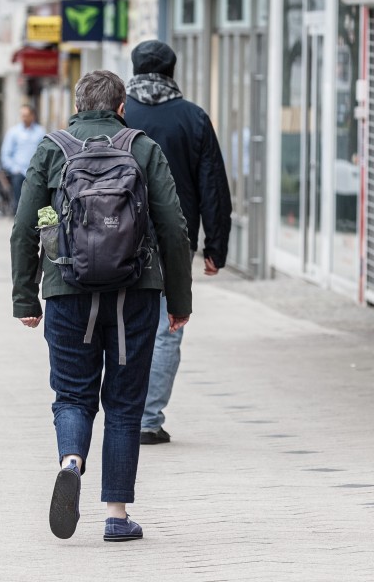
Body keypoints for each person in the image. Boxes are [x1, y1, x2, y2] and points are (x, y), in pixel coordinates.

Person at [10, 70, 192, 543]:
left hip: (68, 289)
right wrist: (179, 299)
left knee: (72, 395)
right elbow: (173, 228)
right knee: (126, 405)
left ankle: (71, 460)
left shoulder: (54, 148)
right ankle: (116, 513)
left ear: (76, 104)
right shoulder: (142, 147)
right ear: (120, 107)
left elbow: (27, 226)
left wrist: (27, 298)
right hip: (135, 293)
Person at [124, 40, 232, 446]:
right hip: (175, 239)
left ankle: (122, 414)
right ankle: (148, 421)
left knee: (122, 323)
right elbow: (213, 187)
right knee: (167, 328)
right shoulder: (193, 118)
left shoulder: (118, 115)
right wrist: (215, 248)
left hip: (116, 235)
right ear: (172, 70)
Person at [0, 104, 44, 209]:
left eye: (26, 115)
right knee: (19, 201)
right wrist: (14, 169)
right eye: (22, 115)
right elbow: (5, 154)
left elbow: (43, 152)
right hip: (18, 172)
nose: (24, 118)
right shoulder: (13, 132)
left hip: (34, 172)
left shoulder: (40, 132)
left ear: (32, 116)